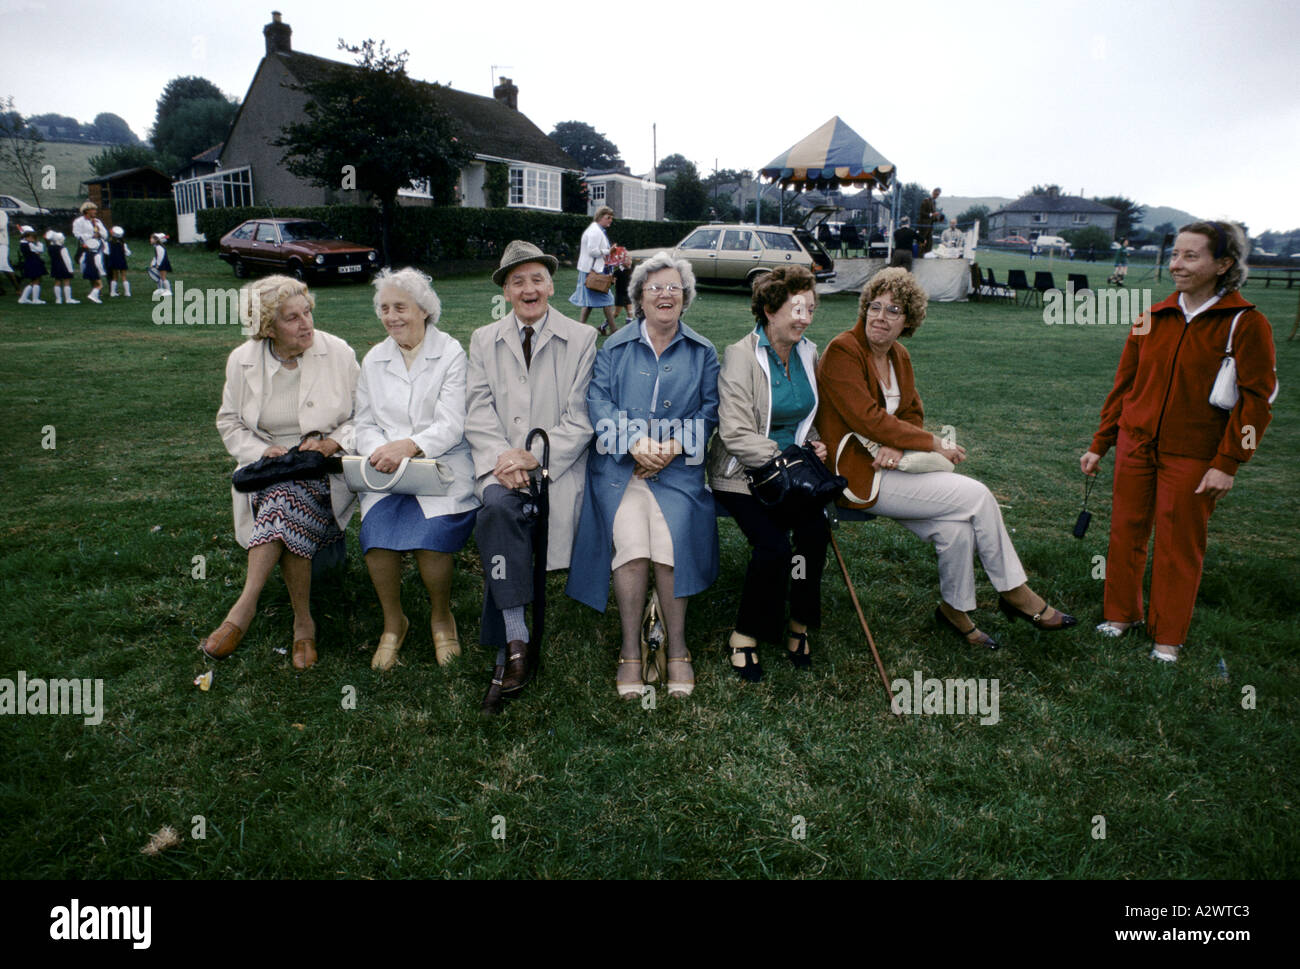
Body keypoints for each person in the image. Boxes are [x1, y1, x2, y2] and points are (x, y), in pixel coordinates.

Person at [817, 267, 1077, 648]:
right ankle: (1016, 594)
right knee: (976, 496)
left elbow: (910, 411)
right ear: (864, 308)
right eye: (875, 306)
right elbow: (865, 418)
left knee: (956, 529)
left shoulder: (899, 356)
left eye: (893, 311)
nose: (880, 317)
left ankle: (954, 610)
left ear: (908, 321)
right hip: (856, 475)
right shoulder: (843, 350)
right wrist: (933, 444)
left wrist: (897, 443)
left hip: (891, 464)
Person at [1080, 221, 1277, 663]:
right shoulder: (1153, 316)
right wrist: (1101, 443)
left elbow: (1257, 402)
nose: (1177, 265)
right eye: (1175, 255)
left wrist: (1229, 462)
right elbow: (1124, 386)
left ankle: (1167, 638)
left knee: (1178, 544)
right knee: (1125, 531)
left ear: (1223, 264)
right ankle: (1120, 615)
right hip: (1136, 444)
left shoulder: (1246, 323)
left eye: (1191, 256)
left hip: (1194, 455)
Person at [566, 250, 720, 699]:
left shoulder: (703, 351)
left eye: (674, 287)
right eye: (655, 288)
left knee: (670, 542)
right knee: (632, 546)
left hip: (678, 471)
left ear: (685, 298)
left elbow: (711, 411)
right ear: (637, 299)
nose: (665, 295)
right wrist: (635, 442)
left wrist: (671, 447)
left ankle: (676, 647)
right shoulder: (613, 347)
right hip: (620, 467)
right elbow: (599, 404)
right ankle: (631, 647)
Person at [205, 275, 360, 670]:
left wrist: (332, 443)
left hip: (324, 467)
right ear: (267, 327)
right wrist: (262, 452)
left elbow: (367, 416)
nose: (306, 324)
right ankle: (303, 625)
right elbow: (229, 422)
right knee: (284, 496)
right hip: (268, 469)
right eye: (292, 319)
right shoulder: (242, 360)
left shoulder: (338, 352)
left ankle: (243, 609)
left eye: (307, 312)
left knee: (285, 497)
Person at [465, 241, 597, 703]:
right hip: (501, 466)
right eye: (517, 280)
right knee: (498, 510)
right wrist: (504, 458)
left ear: (551, 284)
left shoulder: (582, 339)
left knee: (505, 518)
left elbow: (581, 417)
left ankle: (509, 644)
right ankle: (517, 637)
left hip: (554, 467)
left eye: (537, 278)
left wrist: (535, 459)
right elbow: (477, 409)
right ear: (505, 289)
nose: (528, 289)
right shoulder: (484, 339)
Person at [354, 267, 480, 671]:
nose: (392, 317)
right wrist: (380, 451)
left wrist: (408, 446)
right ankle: (395, 623)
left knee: (431, 540)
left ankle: (441, 616)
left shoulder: (450, 353)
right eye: (385, 308)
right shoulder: (375, 358)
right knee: (377, 542)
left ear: (424, 310)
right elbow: (363, 422)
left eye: (401, 307)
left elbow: (451, 423)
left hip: (439, 465)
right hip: (385, 469)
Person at [708, 266, 830, 680]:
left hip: (791, 473)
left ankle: (799, 621)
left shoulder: (809, 352)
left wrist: (814, 443)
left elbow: (806, 414)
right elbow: (736, 432)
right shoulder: (741, 354)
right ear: (768, 309)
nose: (804, 319)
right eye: (796, 309)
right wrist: (787, 460)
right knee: (775, 546)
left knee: (813, 534)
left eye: (810, 310)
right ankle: (745, 633)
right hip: (741, 474)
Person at [569, 205, 617, 334]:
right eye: (608, 217)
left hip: (591, 270)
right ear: (600, 217)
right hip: (593, 271)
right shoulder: (595, 231)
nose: (610, 220)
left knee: (589, 301)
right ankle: (613, 329)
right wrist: (609, 251)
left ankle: (580, 327)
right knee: (607, 300)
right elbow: (592, 251)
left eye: (611, 218)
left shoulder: (596, 230)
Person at [46, 231, 78, 304]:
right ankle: (68, 299)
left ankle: (58, 299)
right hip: (63, 266)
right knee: (66, 282)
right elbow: (67, 260)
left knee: (57, 281)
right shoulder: (62, 248)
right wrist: (70, 270)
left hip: (55, 265)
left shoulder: (50, 248)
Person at [17, 226, 46, 304]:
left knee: (33, 281)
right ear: (27, 237)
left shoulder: (23, 243)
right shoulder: (29, 244)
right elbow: (40, 250)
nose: (34, 238)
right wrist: (38, 243)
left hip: (30, 262)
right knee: (36, 280)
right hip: (34, 262)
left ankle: (23, 298)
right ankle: (35, 299)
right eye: (32, 237)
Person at [107, 226, 131, 297]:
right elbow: (128, 253)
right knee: (124, 276)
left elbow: (107, 252)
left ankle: (112, 292)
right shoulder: (123, 244)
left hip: (114, 261)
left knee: (115, 277)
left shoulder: (109, 243)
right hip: (122, 261)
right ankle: (127, 292)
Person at [918, 187, 942, 255]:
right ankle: (919, 256)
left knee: (929, 242)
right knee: (922, 241)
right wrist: (932, 214)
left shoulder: (934, 203)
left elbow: (932, 216)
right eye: (936, 194)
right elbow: (922, 213)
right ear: (933, 192)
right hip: (924, 226)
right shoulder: (926, 201)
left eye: (938, 194)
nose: (936, 196)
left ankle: (927, 256)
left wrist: (938, 219)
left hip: (930, 226)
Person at [81, 237, 105, 303]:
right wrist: (102, 272)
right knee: (100, 285)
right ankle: (92, 295)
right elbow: (99, 265)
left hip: (87, 271)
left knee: (95, 284)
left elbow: (81, 262)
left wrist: (83, 270)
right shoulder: (97, 255)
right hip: (94, 271)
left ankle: (96, 298)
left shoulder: (85, 254)